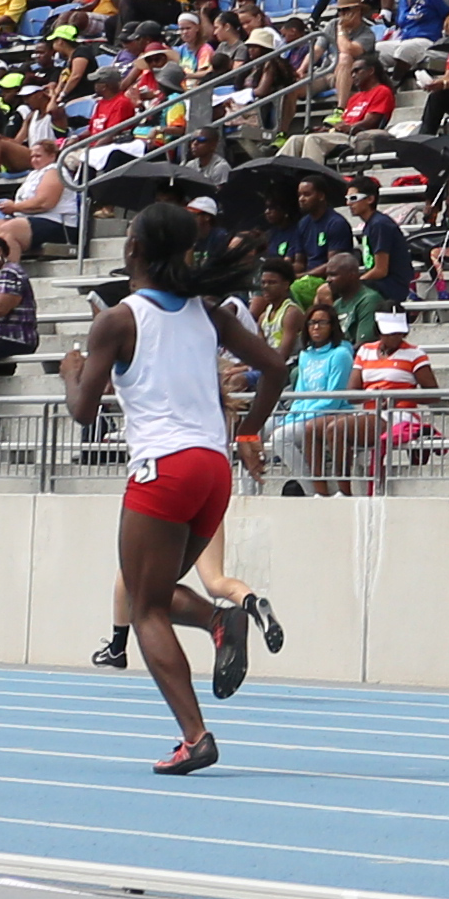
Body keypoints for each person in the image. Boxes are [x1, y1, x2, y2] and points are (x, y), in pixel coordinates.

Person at [58, 200, 285, 774]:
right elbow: (277, 370)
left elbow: (83, 414)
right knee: (153, 593)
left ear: (133, 249)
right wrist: (251, 429)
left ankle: (196, 737)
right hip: (213, 467)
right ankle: (219, 618)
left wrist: (70, 373)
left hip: (163, 468)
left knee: (143, 607)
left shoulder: (117, 319)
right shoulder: (209, 313)